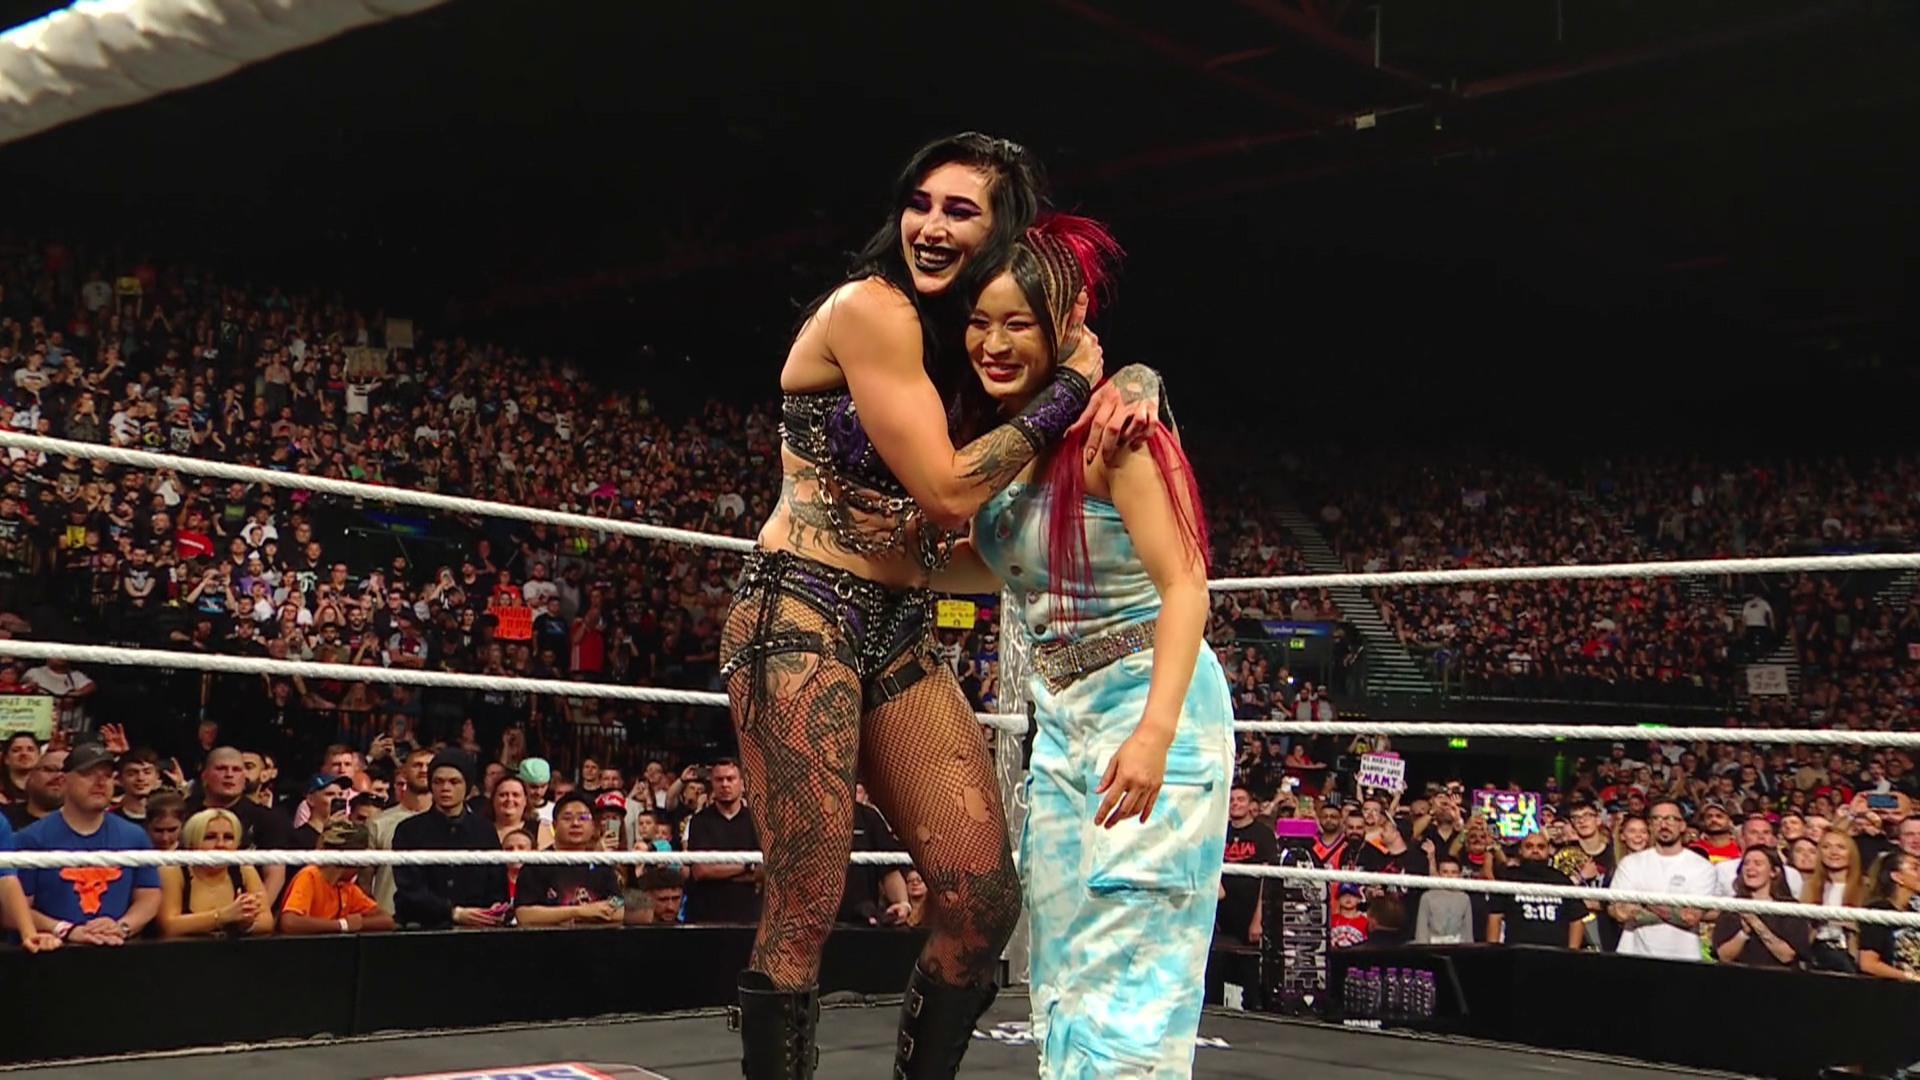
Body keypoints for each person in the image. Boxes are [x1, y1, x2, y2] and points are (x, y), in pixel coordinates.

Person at [716, 132, 1161, 1080]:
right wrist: (1075, 383)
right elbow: (952, 490)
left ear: (1002, 232)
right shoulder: (870, 309)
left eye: (960, 210)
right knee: (806, 897)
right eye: (920, 203)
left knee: (981, 900)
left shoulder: (977, 340)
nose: (930, 224)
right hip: (799, 610)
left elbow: (1083, 391)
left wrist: (1135, 380)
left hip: (902, 625)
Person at [935, 214, 1228, 1079]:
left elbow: (1187, 585)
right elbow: (997, 561)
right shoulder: (1009, 442)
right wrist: (876, 557)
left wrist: (1154, 734)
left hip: (1148, 706)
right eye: (979, 322)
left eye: (1016, 323)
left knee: (1132, 965)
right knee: (1062, 966)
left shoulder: (1116, 436)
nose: (993, 343)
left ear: (1065, 326)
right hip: (1062, 727)